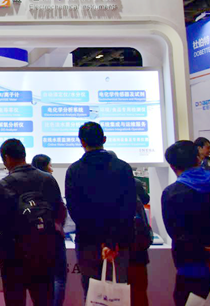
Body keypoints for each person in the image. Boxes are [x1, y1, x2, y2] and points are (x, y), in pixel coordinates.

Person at [0, 140, 65, 306]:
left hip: (13, 254)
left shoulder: (3, 185)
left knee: (15, 300)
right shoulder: (48, 180)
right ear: (24, 154)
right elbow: (59, 212)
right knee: (44, 300)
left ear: (6, 158)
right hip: (44, 251)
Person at [66, 122, 136, 300]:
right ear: (104, 139)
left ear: (82, 142)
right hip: (118, 243)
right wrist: (111, 241)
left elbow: (75, 210)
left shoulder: (74, 170)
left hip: (88, 242)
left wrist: (98, 240)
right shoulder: (123, 168)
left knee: (92, 294)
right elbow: (128, 208)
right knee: (116, 294)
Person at [163, 140, 210, 306]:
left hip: (191, 268)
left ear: (172, 166)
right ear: (198, 159)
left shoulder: (172, 194)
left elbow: (175, 233)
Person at [29, 153, 67, 306]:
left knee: (40, 279)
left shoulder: (28, 183)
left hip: (33, 238)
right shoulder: (50, 181)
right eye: (50, 165)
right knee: (58, 278)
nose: (52, 169)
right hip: (54, 235)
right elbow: (60, 208)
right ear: (44, 166)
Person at [129, 175, 151, 306]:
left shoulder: (104, 186)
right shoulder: (135, 182)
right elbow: (146, 199)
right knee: (139, 294)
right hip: (138, 251)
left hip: (114, 250)